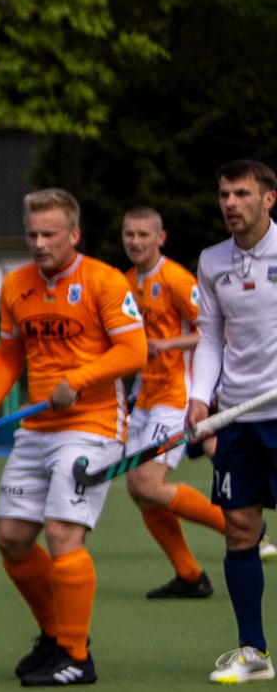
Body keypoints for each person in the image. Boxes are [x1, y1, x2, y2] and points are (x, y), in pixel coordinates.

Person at [0, 187, 147, 687]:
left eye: (49, 234)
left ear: (74, 234)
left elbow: (134, 351)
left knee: (62, 533)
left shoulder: (104, 281)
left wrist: (78, 381)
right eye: (32, 234)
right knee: (12, 539)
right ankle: (55, 635)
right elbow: (7, 357)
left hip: (93, 425)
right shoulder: (16, 285)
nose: (39, 243)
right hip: (36, 427)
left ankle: (76, 657)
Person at [190, 158, 277, 682]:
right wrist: (200, 399)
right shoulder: (212, 260)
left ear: (269, 198)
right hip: (238, 418)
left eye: (241, 193)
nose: (230, 203)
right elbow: (209, 337)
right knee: (240, 529)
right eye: (224, 194)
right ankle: (254, 653)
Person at [115, 206, 223, 599]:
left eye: (143, 234)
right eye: (129, 234)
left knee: (148, 483)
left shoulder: (177, 279)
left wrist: (166, 344)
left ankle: (239, 527)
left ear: (160, 238)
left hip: (177, 396)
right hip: (144, 398)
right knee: (137, 488)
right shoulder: (124, 283)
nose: (135, 241)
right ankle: (190, 576)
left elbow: (214, 332)